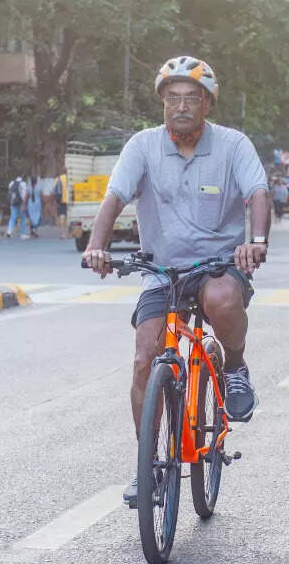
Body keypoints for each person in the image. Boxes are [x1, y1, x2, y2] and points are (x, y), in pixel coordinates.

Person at [81, 55, 270, 508]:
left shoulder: (232, 145)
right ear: (163, 104)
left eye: (190, 99)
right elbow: (115, 197)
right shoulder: (143, 146)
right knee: (145, 358)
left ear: (207, 105)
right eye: (172, 99)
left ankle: (236, 368)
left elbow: (258, 193)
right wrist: (96, 246)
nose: (180, 107)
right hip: (161, 271)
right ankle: (147, 466)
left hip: (216, 265)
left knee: (224, 299)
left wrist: (256, 240)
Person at [55, 169, 69, 238]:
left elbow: (55, 191)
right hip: (70, 200)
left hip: (61, 201)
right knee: (69, 217)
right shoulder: (70, 178)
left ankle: (63, 234)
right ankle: (70, 233)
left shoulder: (58, 179)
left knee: (62, 217)